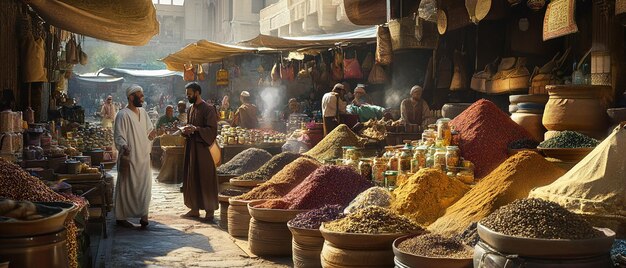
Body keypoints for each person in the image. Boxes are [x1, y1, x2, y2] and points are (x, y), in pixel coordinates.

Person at [113, 85, 157, 229]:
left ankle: (144, 215)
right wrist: (124, 146)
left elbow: (149, 131)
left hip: (143, 156)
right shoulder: (122, 114)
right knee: (127, 187)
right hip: (130, 157)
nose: (143, 98)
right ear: (131, 97)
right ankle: (121, 217)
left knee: (145, 186)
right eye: (140, 96)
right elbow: (119, 136)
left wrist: (154, 134)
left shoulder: (143, 112)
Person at [181, 82, 219, 221]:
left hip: (203, 149)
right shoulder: (190, 109)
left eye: (189, 94)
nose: (188, 97)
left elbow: (212, 130)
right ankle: (194, 209)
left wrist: (196, 129)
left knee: (205, 177)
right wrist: (185, 130)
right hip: (191, 149)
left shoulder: (208, 109)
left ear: (197, 92)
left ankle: (209, 212)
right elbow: (189, 126)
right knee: (192, 177)